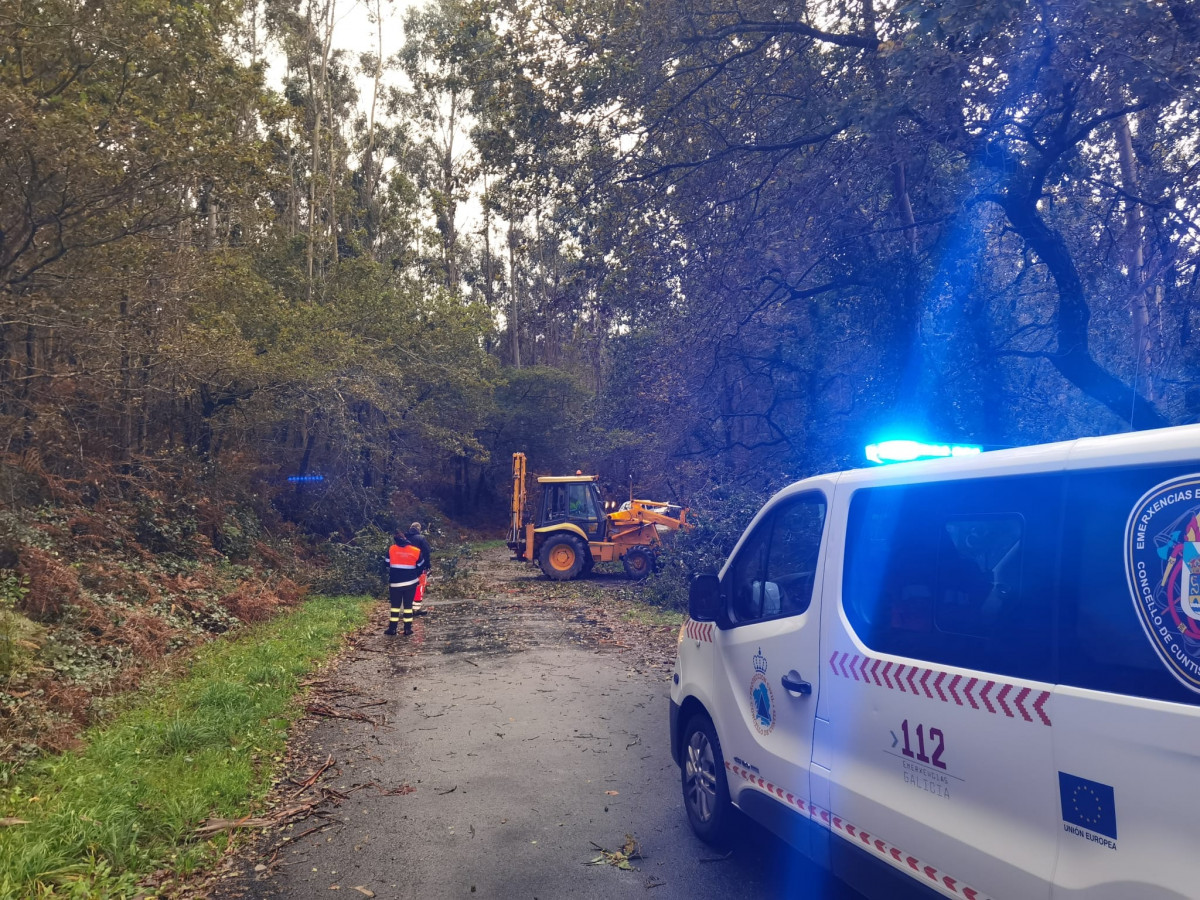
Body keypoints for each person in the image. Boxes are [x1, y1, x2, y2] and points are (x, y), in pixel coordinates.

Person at [385, 530, 423, 636]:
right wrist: (415, 574)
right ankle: (407, 629)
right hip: (411, 583)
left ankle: (392, 629)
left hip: (395, 583)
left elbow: (387, 563)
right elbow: (421, 565)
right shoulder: (416, 551)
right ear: (406, 539)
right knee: (408, 606)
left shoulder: (391, 549)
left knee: (395, 606)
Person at [407, 522, 432, 614]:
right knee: (419, 587)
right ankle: (416, 609)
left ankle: (408, 608)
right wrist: (428, 565)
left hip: (405, 567)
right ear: (419, 529)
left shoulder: (404, 538)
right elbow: (426, 553)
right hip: (419, 566)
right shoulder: (421, 538)